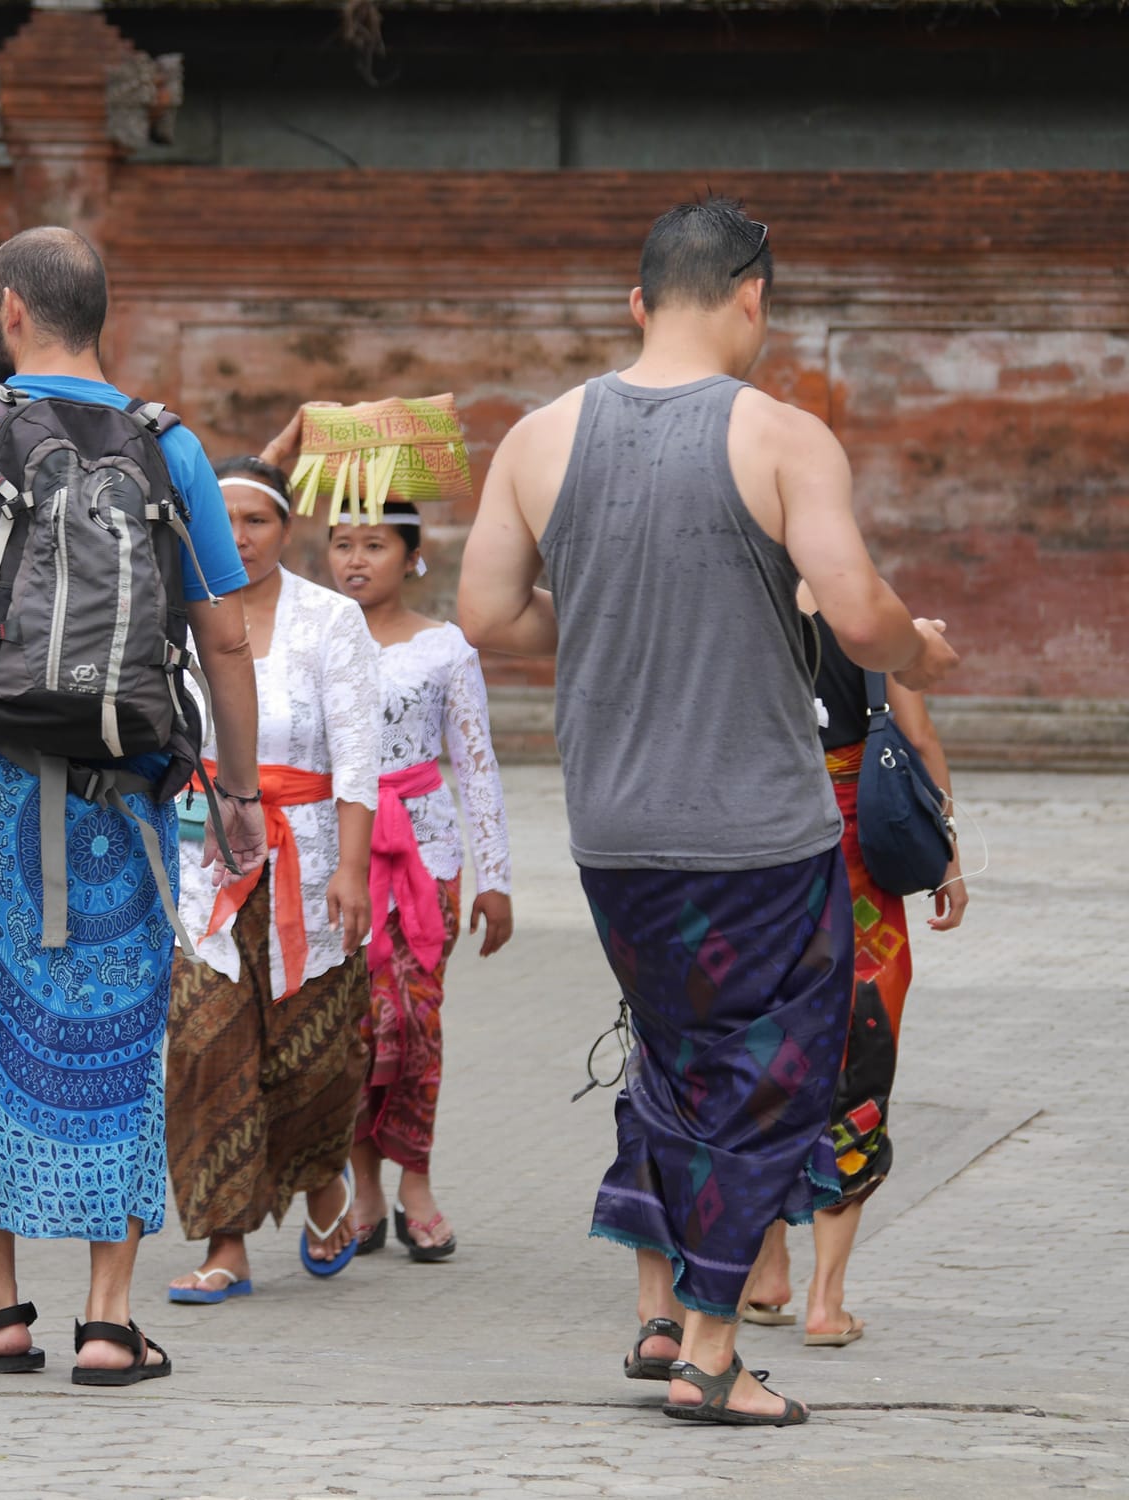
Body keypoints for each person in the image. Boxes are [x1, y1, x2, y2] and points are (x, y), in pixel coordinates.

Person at [459, 195, 958, 1426]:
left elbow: (482, 617)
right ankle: (709, 1354)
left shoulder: (537, 437)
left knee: (670, 1067)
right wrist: (921, 652)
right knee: (766, 1081)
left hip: (610, 831)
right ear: (752, 296)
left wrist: (606, 622)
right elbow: (853, 616)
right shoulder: (783, 436)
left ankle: (662, 1321)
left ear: (636, 303)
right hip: (756, 834)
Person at [0, 226, 266, 1384]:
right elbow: (223, 632)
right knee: (119, 1038)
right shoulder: (169, 445)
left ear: (10, 307)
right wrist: (237, 791)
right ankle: (110, 1320)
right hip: (126, 791)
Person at [165, 449, 380, 1303]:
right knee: (204, 1045)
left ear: (286, 530)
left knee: (312, 1053)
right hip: (200, 863)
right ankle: (228, 1244)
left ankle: (323, 1181)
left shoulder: (330, 621)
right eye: (225, 523)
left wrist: (354, 870)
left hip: (313, 860)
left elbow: (359, 759)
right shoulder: (175, 618)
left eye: (257, 522)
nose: (241, 539)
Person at [742, 581, 969, 1345]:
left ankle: (765, 1271)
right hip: (859, 880)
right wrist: (950, 860)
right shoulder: (868, 607)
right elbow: (921, 737)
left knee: (766, 1066)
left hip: (762, 870)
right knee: (857, 1063)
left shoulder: (740, 599)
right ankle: (825, 1303)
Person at [328, 500, 515, 1262]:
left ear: (413, 556)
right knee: (352, 1029)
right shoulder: (315, 639)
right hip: (335, 862)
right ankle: (363, 1185)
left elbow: (474, 763)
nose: (355, 560)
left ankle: (418, 1180)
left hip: (425, 857)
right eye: (341, 544)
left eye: (375, 544)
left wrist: (495, 876)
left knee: (415, 1024)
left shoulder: (446, 649)